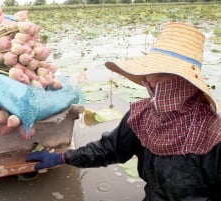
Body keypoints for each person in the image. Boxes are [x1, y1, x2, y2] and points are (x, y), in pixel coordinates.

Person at [26, 22, 221, 200]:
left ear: (183, 83)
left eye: (160, 78)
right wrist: (63, 157)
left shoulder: (213, 132)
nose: (149, 83)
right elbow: (108, 149)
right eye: (148, 77)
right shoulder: (143, 117)